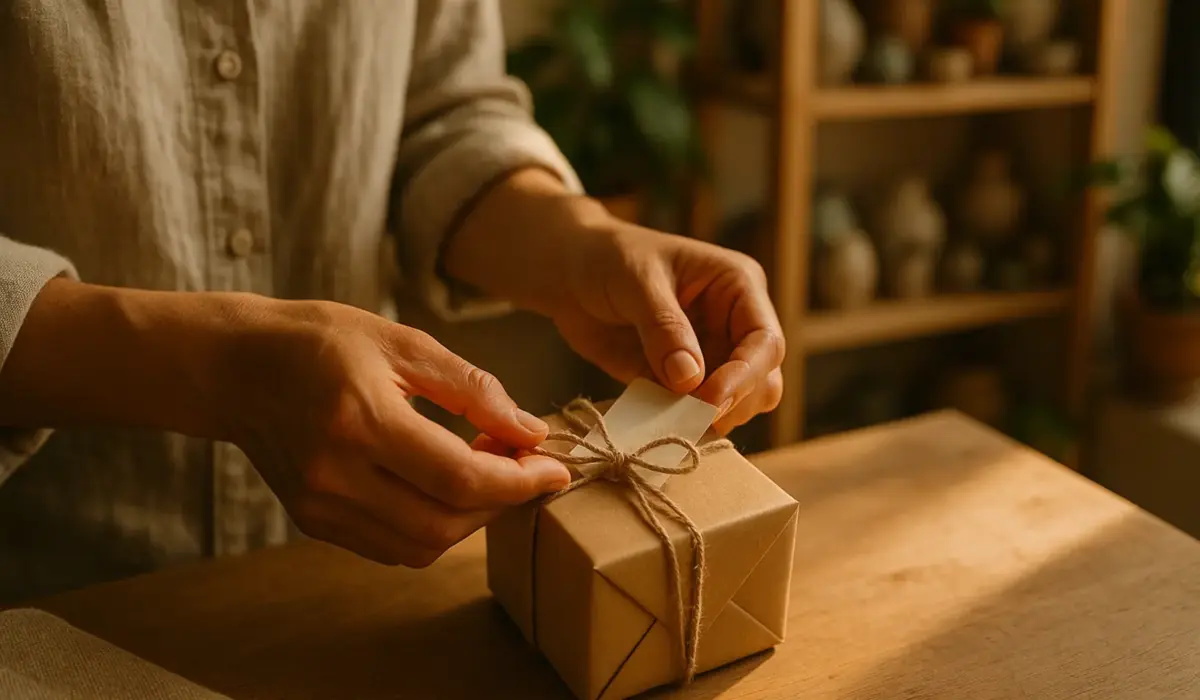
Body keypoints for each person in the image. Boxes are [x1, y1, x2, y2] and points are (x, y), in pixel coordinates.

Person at [0, 0, 784, 602]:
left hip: (352, 599)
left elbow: (444, 112)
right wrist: (219, 368)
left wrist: (579, 245)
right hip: (48, 594)